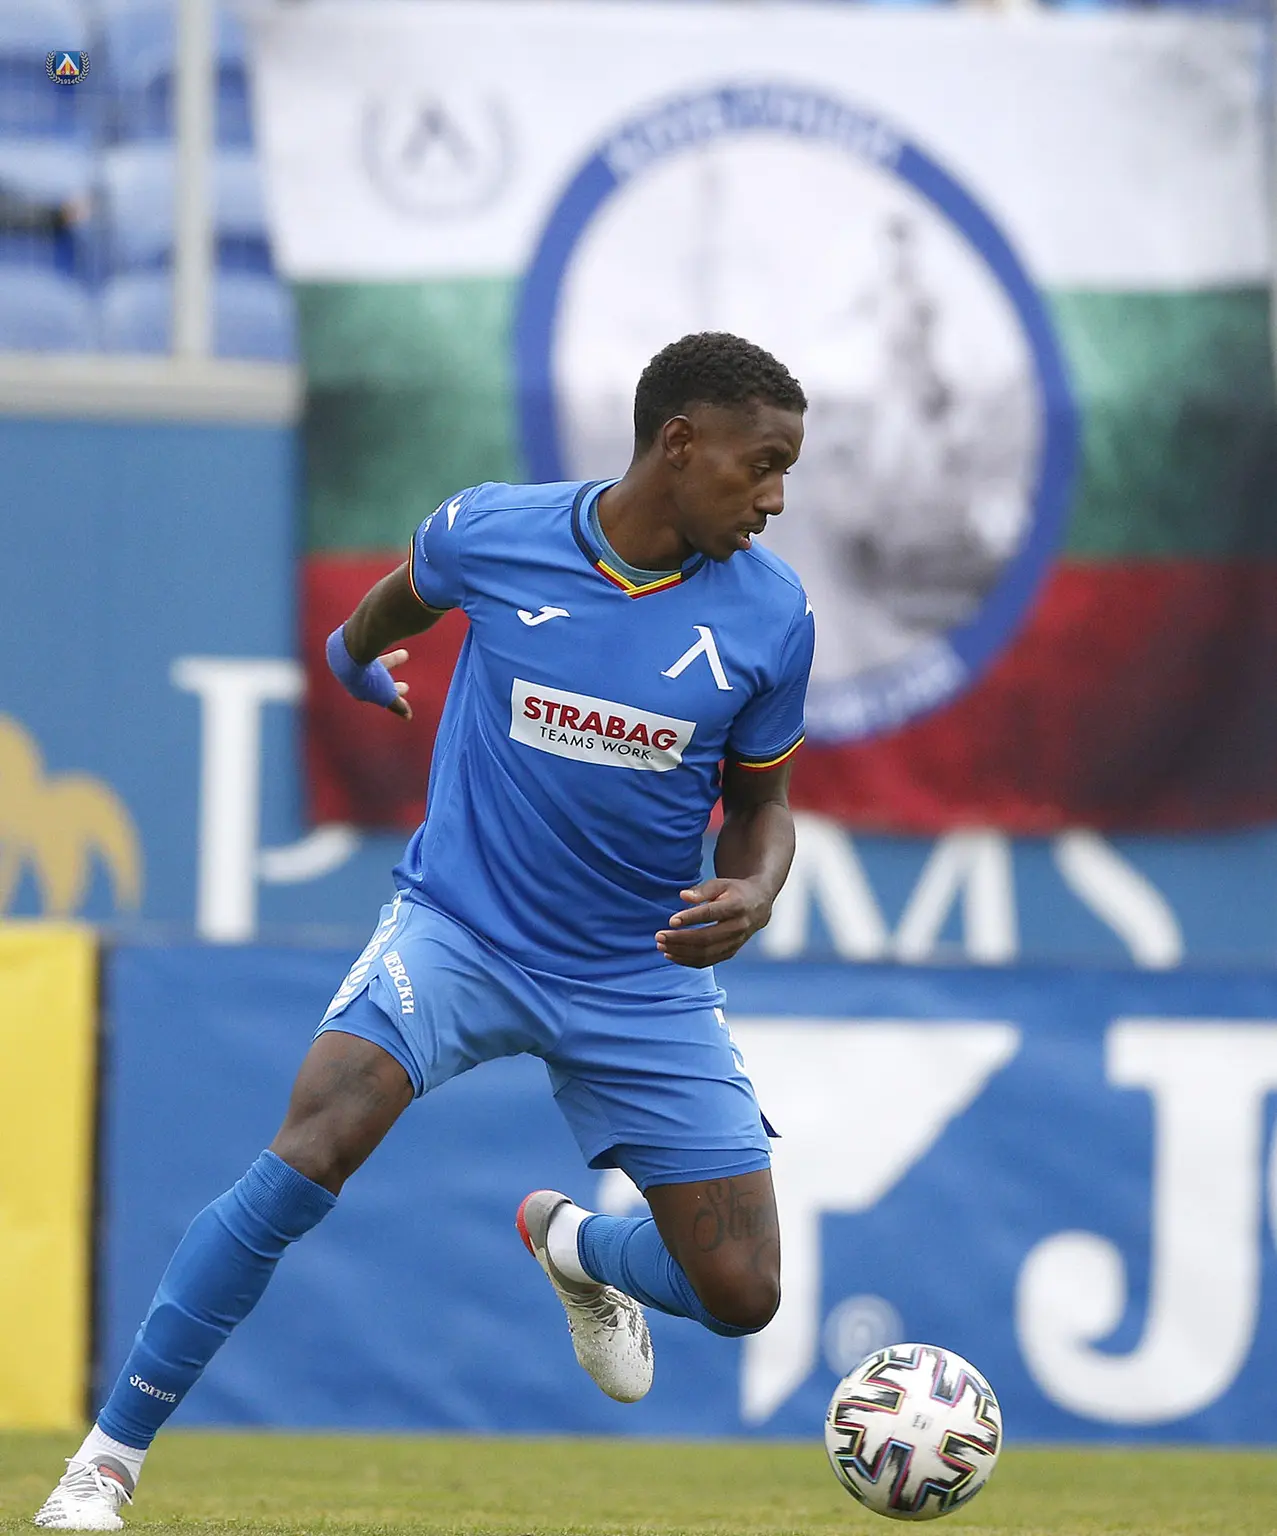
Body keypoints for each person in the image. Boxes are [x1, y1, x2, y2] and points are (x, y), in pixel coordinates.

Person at [35, 331, 813, 1531]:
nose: (774, 500)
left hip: (636, 971)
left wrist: (753, 890)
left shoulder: (771, 616)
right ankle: (104, 1463)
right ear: (678, 443)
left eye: (784, 473)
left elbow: (761, 808)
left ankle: (575, 1248)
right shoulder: (492, 532)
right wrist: (354, 660)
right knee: (315, 1140)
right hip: (461, 931)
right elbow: (393, 603)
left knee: (743, 1292)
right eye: (760, 466)